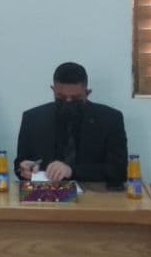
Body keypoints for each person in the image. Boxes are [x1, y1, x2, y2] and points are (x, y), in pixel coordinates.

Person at [13, 62, 128, 190]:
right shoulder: (33, 118)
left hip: (94, 195)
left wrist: (71, 171)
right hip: (44, 195)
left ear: (87, 93)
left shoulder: (110, 119)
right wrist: (24, 169)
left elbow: (119, 170)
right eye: (61, 97)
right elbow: (20, 164)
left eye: (75, 98)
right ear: (53, 90)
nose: (68, 102)